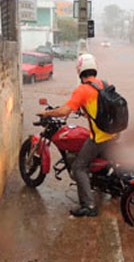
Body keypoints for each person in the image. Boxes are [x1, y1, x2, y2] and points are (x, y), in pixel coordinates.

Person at [38, 53, 119, 217]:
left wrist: (47, 114)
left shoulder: (82, 90)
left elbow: (64, 111)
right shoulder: (105, 83)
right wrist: (86, 113)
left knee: (78, 167)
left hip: (100, 137)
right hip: (114, 132)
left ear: (79, 70)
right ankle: (100, 185)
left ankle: (88, 205)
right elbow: (102, 107)